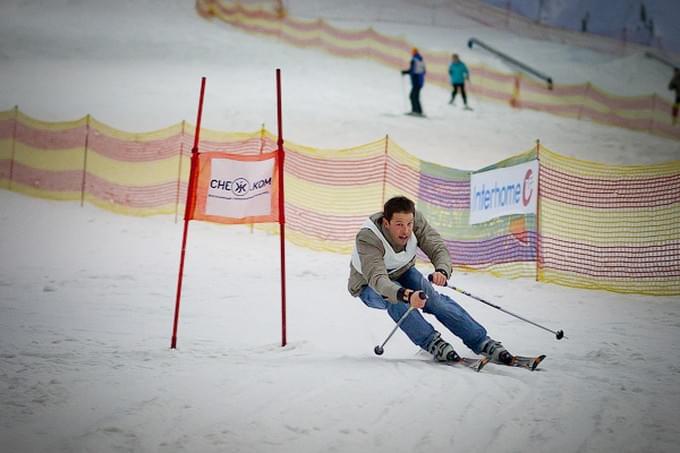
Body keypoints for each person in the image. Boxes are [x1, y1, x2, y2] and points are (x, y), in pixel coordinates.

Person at [347, 195, 513, 364]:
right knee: (396, 301)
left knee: (433, 300)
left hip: (402, 271)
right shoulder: (368, 237)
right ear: (386, 223)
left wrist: (442, 270)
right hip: (368, 285)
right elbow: (379, 280)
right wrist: (406, 295)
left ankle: (482, 342)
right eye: (399, 225)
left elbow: (437, 247)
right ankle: (431, 342)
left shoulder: (415, 219)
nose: (405, 230)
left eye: (408, 224)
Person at [401, 48, 426, 116]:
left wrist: (404, 72)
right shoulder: (421, 60)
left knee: (413, 96)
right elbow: (424, 71)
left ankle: (416, 110)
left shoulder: (414, 60)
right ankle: (418, 110)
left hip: (416, 80)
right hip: (420, 80)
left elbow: (412, 70)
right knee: (415, 96)